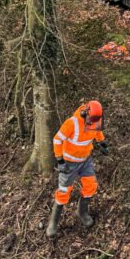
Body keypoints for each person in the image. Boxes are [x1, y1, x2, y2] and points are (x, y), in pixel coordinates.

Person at [46, 100, 108, 238]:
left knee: (91, 185)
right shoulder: (72, 123)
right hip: (69, 163)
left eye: (95, 121)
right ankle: (53, 222)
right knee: (63, 191)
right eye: (90, 120)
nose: (92, 123)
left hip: (85, 161)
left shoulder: (96, 119)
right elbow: (57, 139)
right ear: (85, 113)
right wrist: (60, 160)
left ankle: (82, 212)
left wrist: (102, 142)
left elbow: (97, 131)